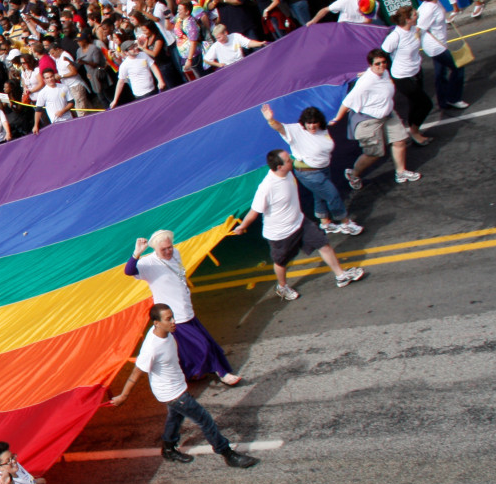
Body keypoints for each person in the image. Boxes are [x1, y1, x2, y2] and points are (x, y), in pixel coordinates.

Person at [109, 305, 257, 467]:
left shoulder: (167, 333)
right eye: (168, 319)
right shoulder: (151, 348)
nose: (174, 321)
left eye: (173, 317)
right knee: (205, 420)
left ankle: (168, 449)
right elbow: (136, 374)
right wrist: (123, 396)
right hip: (172, 393)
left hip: (176, 385)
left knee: (175, 417)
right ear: (156, 323)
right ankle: (227, 454)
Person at [233, 149, 369, 299]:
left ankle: (341, 275)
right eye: (288, 160)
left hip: (300, 222)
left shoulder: (289, 172)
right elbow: (254, 211)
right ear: (279, 167)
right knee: (281, 262)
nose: (291, 160)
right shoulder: (266, 188)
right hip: (280, 234)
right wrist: (242, 227)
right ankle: (282, 286)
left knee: (324, 244)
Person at [124, 231, 242, 385]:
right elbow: (129, 271)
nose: (168, 252)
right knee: (203, 344)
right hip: (174, 316)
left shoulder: (176, 254)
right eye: (163, 250)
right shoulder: (149, 263)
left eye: (169, 247)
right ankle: (222, 372)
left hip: (186, 310)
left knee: (185, 349)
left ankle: (194, 373)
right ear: (155, 249)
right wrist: (137, 253)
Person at [259, 104, 361, 236]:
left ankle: (325, 223)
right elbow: (279, 127)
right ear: (304, 122)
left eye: (314, 122)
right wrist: (271, 120)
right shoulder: (296, 130)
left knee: (320, 196)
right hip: (308, 173)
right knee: (332, 195)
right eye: (309, 123)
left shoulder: (323, 131)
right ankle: (345, 223)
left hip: (323, 169)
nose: (312, 126)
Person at [332, 48, 421, 188]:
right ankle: (354, 174)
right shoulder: (365, 82)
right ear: (370, 65)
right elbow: (348, 101)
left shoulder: (384, 73)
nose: (381, 66)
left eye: (384, 62)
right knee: (374, 153)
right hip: (369, 120)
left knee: (399, 141)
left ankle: (401, 172)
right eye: (377, 64)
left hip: (388, 114)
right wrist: (337, 118)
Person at [380, 6, 435, 146]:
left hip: (416, 72)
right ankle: (414, 132)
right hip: (402, 77)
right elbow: (383, 54)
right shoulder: (395, 36)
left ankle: (414, 129)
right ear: (408, 19)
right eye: (415, 14)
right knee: (426, 104)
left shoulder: (413, 29)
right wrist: (385, 73)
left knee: (414, 104)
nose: (418, 15)